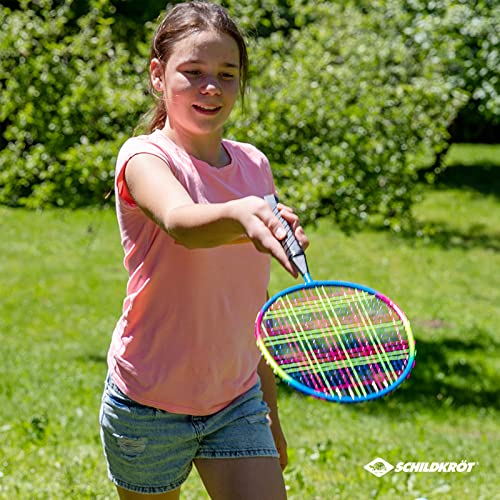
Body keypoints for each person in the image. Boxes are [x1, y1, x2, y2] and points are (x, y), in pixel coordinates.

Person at [99, 2, 309, 498]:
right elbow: (181, 222)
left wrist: (269, 413)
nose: (211, 87)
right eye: (192, 72)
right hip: (148, 405)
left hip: (236, 402)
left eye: (226, 74)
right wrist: (244, 214)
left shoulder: (255, 165)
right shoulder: (144, 156)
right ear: (158, 74)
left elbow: (248, 306)